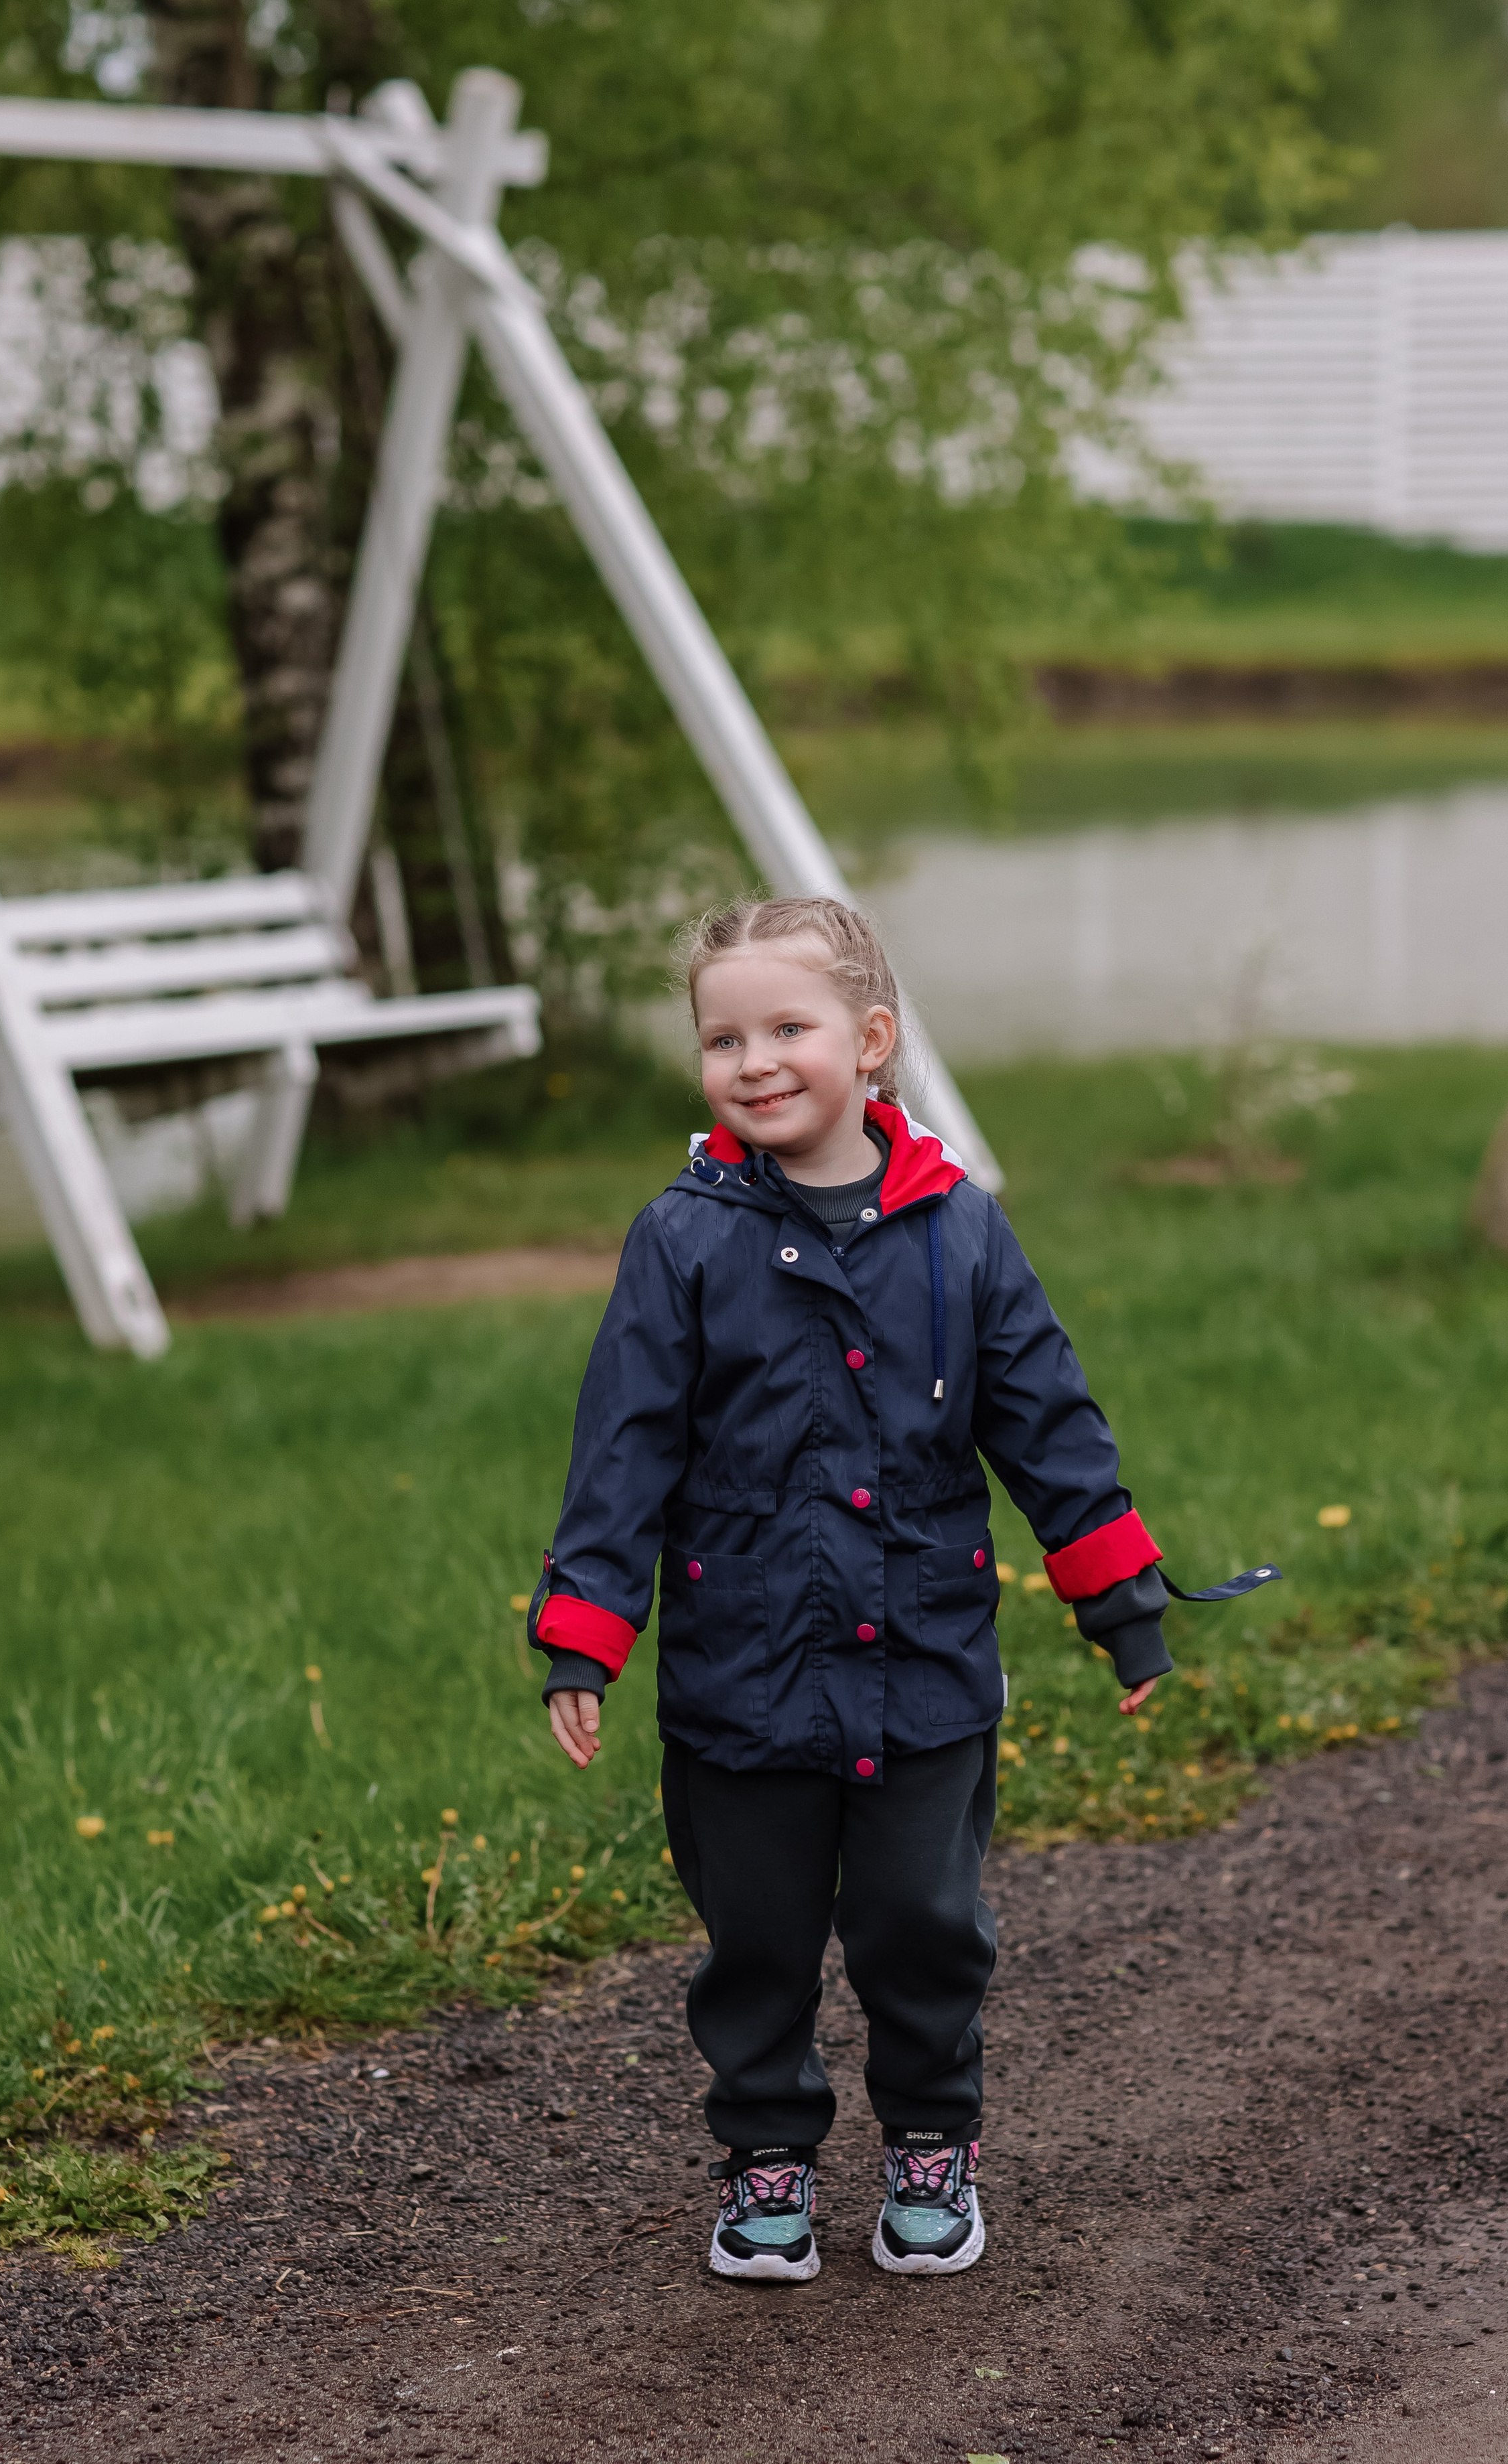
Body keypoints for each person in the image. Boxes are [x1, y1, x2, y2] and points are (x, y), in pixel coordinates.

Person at [528, 894, 1275, 2285]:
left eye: (786, 1029)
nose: (753, 1062)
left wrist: (1120, 1607)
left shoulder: (958, 1236)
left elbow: (1049, 1427)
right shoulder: (682, 1241)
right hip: (737, 1671)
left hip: (921, 1664)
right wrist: (584, 1634)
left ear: (869, 1043)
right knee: (751, 1939)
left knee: (921, 1929)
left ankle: (931, 2143)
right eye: (720, 1037)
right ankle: (764, 2162)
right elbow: (620, 1447)